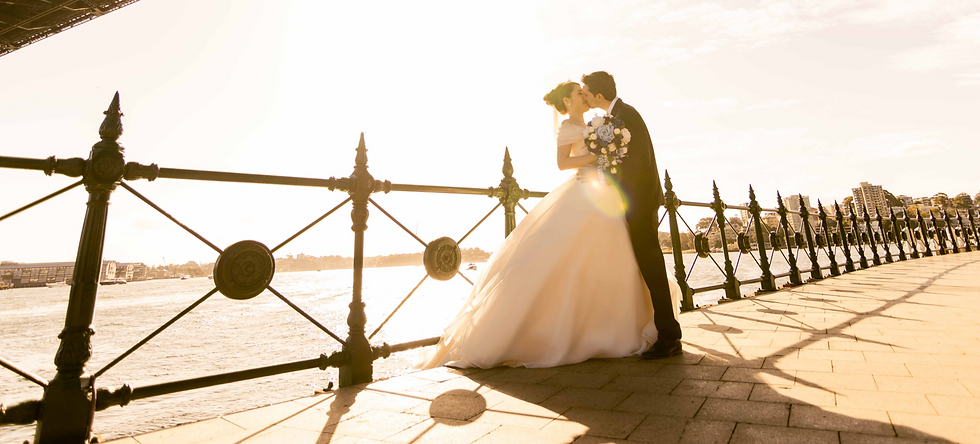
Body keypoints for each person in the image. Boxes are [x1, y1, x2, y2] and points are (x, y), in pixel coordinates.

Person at [416, 81, 679, 369]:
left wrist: (605, 159)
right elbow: (563, 163)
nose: (584, 95)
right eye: (579, 93)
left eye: (585, 91)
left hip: (604, 194)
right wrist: (600, 156)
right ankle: (571, 331)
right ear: (567, 101)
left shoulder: (597, 123)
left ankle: (612, 325)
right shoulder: (568, 127)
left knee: (615, 258)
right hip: (583, 192)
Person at [580, 71, 683, 359]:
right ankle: (657, 329)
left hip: (638, 201)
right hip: (634, 200)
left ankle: (669, 335)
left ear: (599, 95)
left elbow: (637, 161)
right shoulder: (616, 116)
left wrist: (615, 191)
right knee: (644, 266)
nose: (584, 95)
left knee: (651, 265)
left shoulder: (626, 114)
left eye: (586, 91)